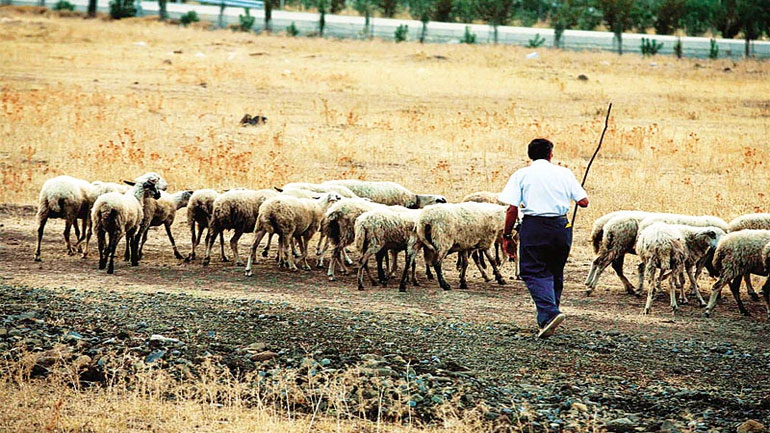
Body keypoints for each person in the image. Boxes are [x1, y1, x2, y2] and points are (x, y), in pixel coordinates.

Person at [498, 138, 589, 339]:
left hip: (535, 226)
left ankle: (550, 314)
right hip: (561, 226)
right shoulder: (564, 173)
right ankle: (548, 319)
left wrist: (506, 235)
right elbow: (583, 202)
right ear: (550, 154)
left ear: (530, 155)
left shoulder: (522, 174)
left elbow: (512, 208)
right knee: (555, 270)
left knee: (532, 271)